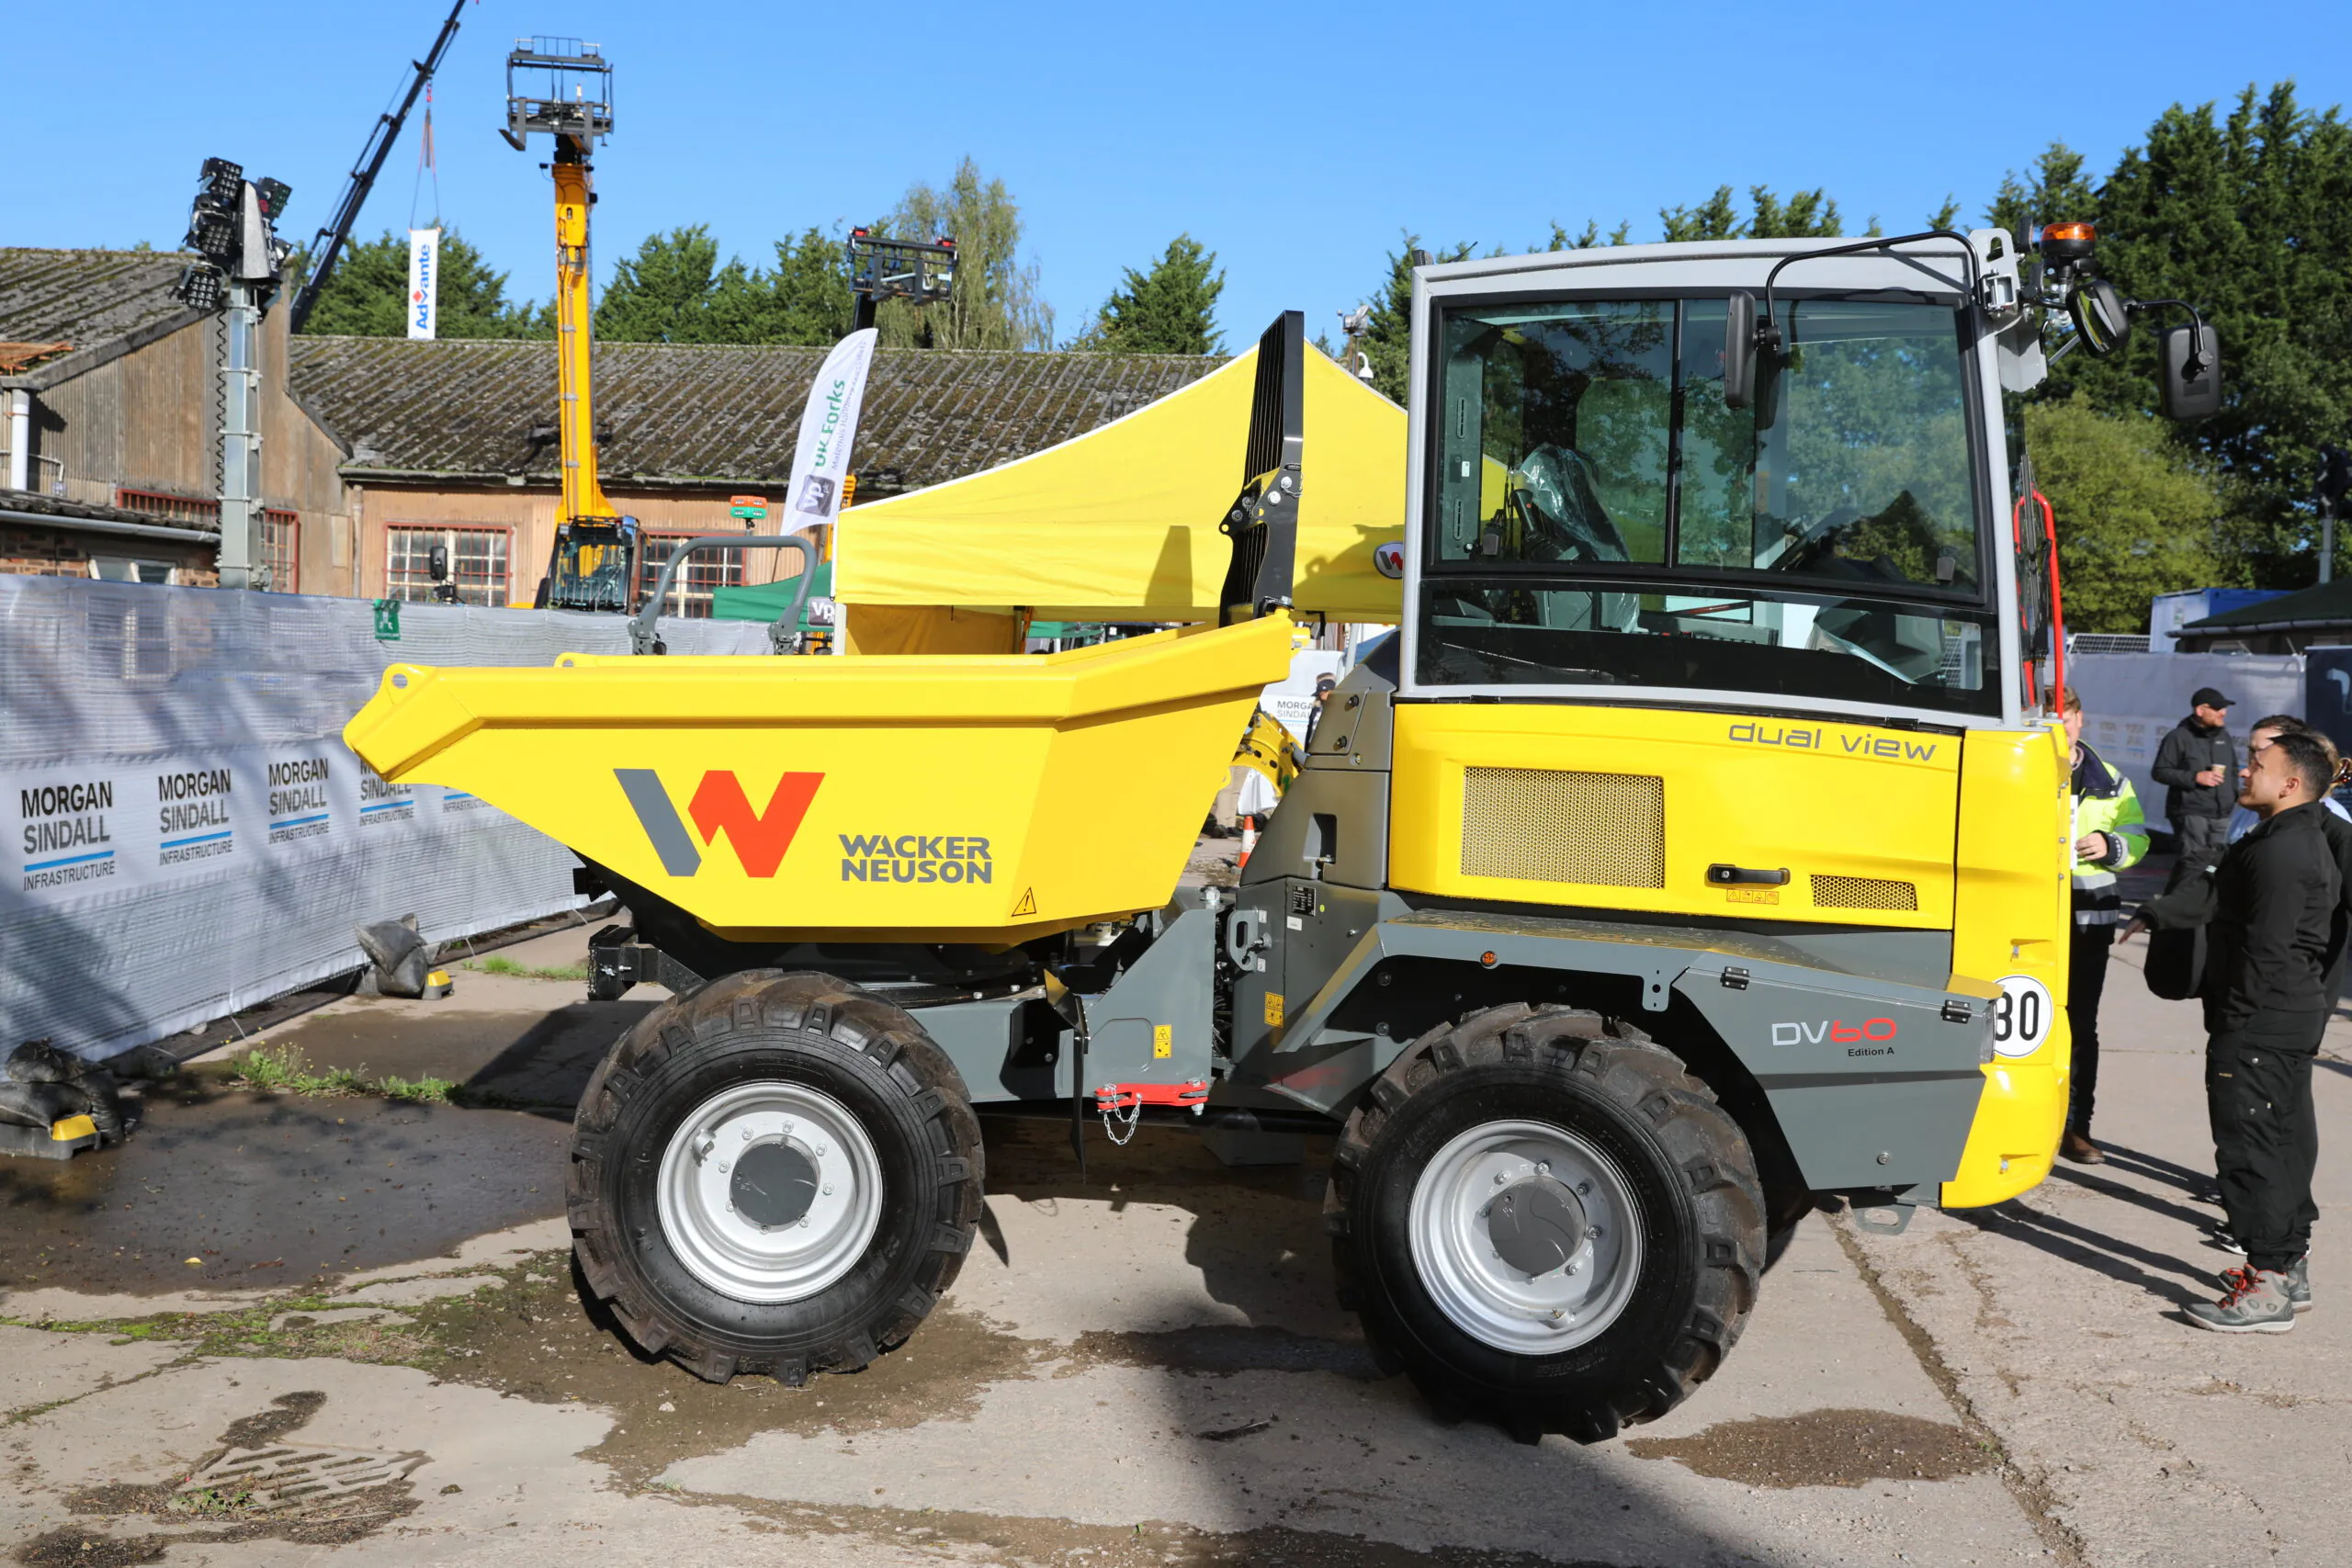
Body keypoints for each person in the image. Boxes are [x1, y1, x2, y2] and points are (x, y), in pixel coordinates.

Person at [2127, 731, 2339, 1332]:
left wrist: (2236, 1023)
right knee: (2278, 1140)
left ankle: (2268, 1283)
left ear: (2291, 783)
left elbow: (2267, 952)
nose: (2242, 771)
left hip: (2261, 1021)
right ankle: (2288, 1266)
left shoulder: (2286, 851)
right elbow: (2219, 892)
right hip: (2279, 1017)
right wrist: (2156, 912)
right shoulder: (2282, 837)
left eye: (2257, 765)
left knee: (2250, 1150)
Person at [2059, 689, 2148, 1165]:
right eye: (2050, 716)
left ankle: (2076, 1127)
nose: (2061, 725)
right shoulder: (2014, 768)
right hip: (2025, 908)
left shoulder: (2110, 780)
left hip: (2088, 914)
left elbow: (2137, 836)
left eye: (2068, 716)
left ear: (2081, 719)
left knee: (2079, 1025)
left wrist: (2111, 843)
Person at [2151, 687, 2238, 886]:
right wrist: (2195, 777)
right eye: (2217, 708)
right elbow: (2160, 771)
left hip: (2222, 813)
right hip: (2191, 812)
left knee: (2215, 865)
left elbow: (2232, 769)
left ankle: (2205, 908)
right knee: (2193, 864)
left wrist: (2233, 795)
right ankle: (2181, 907)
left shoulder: (2223, 736)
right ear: (2200, 710)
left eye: (2224, 708)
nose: (2223, 712)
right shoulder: (2178, 737)